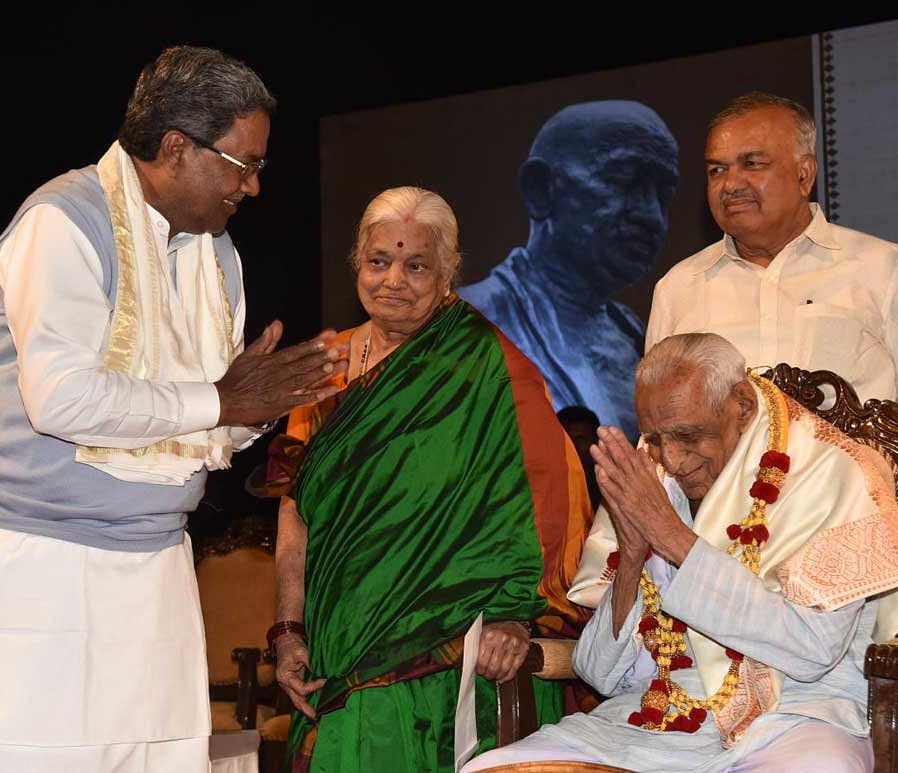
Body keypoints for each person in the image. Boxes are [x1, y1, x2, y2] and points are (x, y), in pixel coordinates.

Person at [0, 46, 347, 773]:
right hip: (34, 567)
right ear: (174, 147)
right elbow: (63, 398)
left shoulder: (215, 257)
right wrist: (224, 397)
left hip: (157, 566)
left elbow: (194, 423)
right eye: (243, 164)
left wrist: (254, 411)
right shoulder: (61, 222)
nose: (253, 188)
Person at [463, 332, 898, 773]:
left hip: (796, 717)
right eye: (655, 437)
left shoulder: (832, 476)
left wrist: (672, 538)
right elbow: (600, 675)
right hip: (653, 722)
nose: (671, 459)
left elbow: (812, 652)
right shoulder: (648, 476)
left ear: (742, 407)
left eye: (689, 436)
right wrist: (630, 562)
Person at [257, 186, 593, 772]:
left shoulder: (492, 366)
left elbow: (550, 500)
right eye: (378, 262)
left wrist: (518, 615)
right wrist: (289, 628)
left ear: (449, 273)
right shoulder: (324, 370)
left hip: (452, 649)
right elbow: (296, 509)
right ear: (355, 265)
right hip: (341, 640)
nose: (394, 281)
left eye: (417, 266)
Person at [646, 91, 898, 438]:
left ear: (804, 175)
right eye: (717, 170)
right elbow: (657, 430)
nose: (730, 184)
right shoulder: (678, 289)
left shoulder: (887, 270)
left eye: (752, 164)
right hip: (720, 494)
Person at [458, 100, 679, 440]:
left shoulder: (633, 333)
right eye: (623, 180)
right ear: (540, 189)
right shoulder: (467, 323)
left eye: (663, 194)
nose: (651, 214)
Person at [558, 405, 601, 512]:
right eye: (567, 439)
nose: (573, 446)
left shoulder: (607, 485)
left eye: (580, 439)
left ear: (596, 441)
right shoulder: (545, 486)